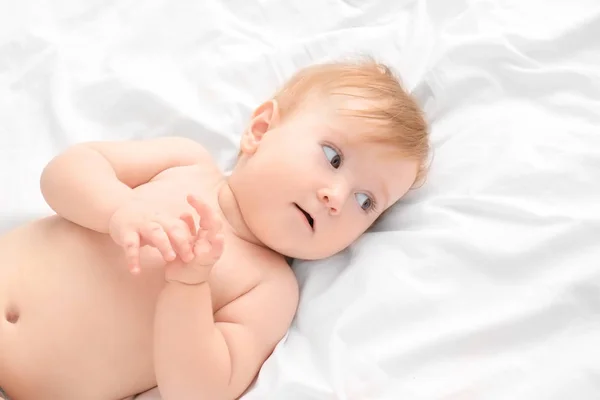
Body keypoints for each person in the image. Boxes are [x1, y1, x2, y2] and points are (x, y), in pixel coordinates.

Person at [0, 59, 429, 400]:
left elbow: (199, 391)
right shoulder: (182, 163)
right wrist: (119, 209)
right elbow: (64, 173)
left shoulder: (268, 289)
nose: (336, 196)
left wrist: (188, 288)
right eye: (333, 157)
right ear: (260, 130)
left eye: (365, 201)